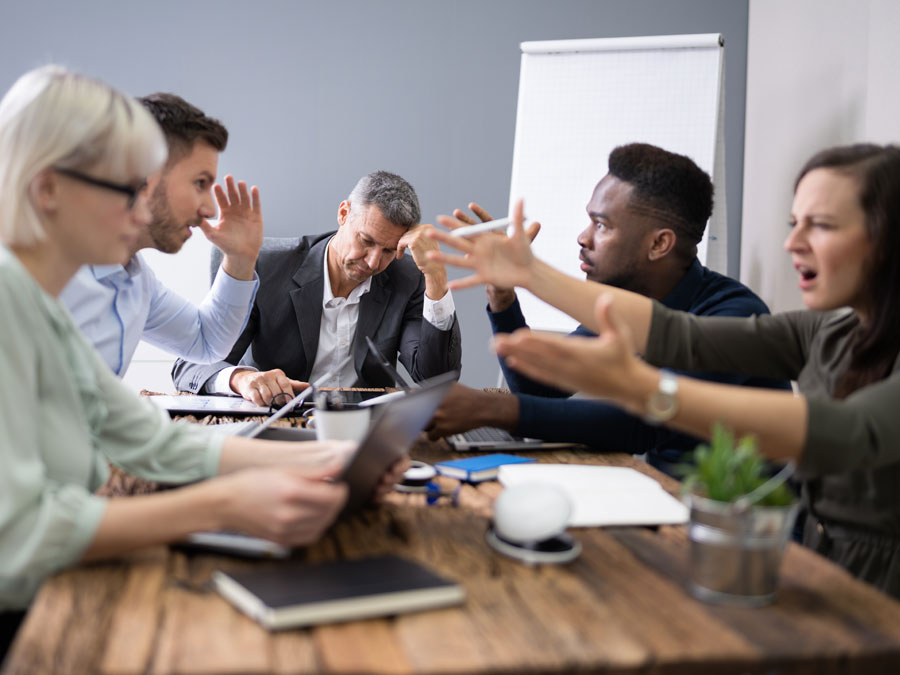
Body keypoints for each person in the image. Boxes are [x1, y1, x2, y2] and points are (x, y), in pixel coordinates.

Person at [0, 66, 396, 650]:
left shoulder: (43, 305)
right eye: (127, 189)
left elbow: (154, 441)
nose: (143, 214)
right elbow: (16, 541)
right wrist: (222, 501)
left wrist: (322, 457)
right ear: (47, 189)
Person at [429, 144, 900, 598]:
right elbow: (676, 334)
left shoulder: (738, 306)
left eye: (820, 226)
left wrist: (643, 389)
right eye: (794, 223)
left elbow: (848, 432)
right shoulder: (827, 331)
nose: (792, 243)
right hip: (802, 559)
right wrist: (527, 275)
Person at [427, 143, 786, 474]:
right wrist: (502, 296)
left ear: (659, 243)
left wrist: (492, 409)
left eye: (602, 225)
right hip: (666, 499)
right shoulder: (628, 304)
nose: (583, 237)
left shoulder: (734, 316)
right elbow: (540, 389)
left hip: (747, 527)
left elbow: (645, 424)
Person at [172, 170, 462, 405]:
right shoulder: (266, 268)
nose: (374, 262)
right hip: (279, 418)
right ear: (343, 213)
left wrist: (436, 277)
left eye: (388, 250)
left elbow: (436, 379)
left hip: (364, 429)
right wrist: (241, 379)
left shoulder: (408, 277)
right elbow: (192, 366)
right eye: (366, 241)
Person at [60, 93, 261, 376]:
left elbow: (205, 343)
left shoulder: (138, 282)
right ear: (143, 175)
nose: (209, 207)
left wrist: (240, 259)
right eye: (199, 183)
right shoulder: (44, 275)